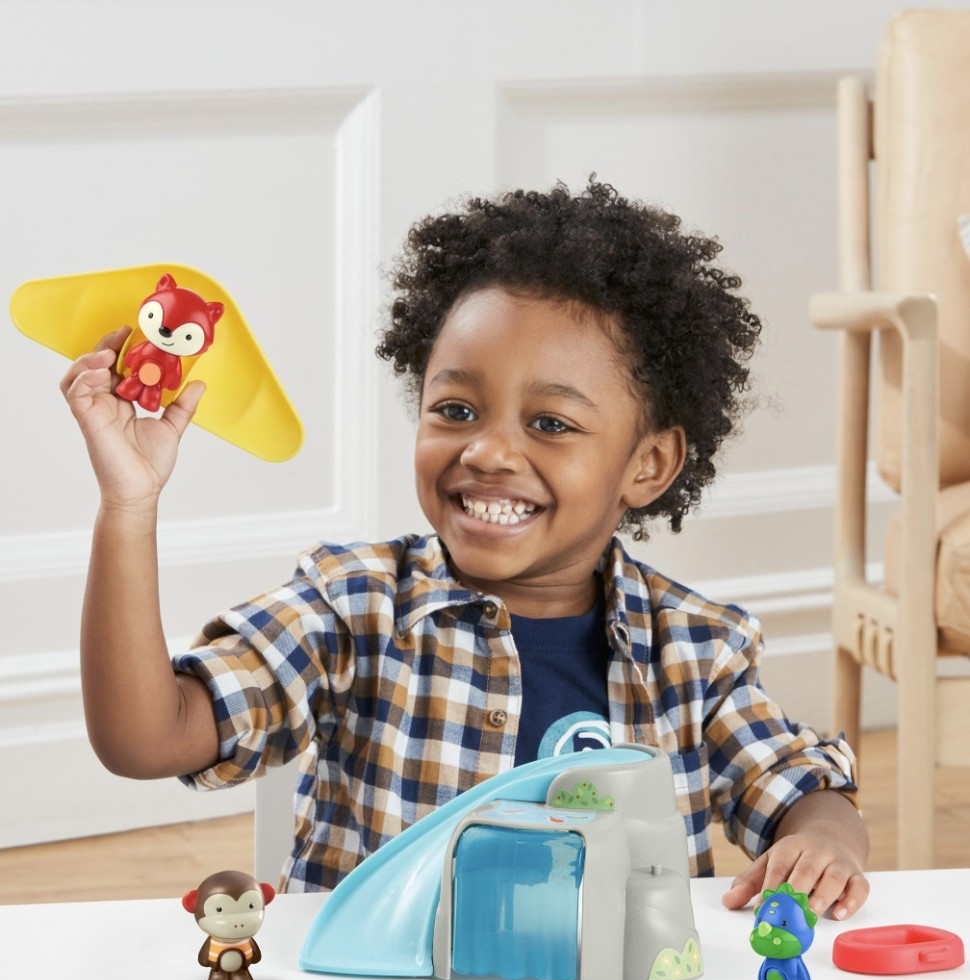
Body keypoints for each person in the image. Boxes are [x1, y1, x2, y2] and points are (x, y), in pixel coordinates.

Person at [62, 180, 868, 919]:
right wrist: (129, 506)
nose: (488, 451)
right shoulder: (352, 606)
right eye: (455, 410)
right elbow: (145, 738)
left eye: (550, 424)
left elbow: (805, 791)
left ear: (649, 464)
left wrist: (824, 843)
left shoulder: (696, 652)